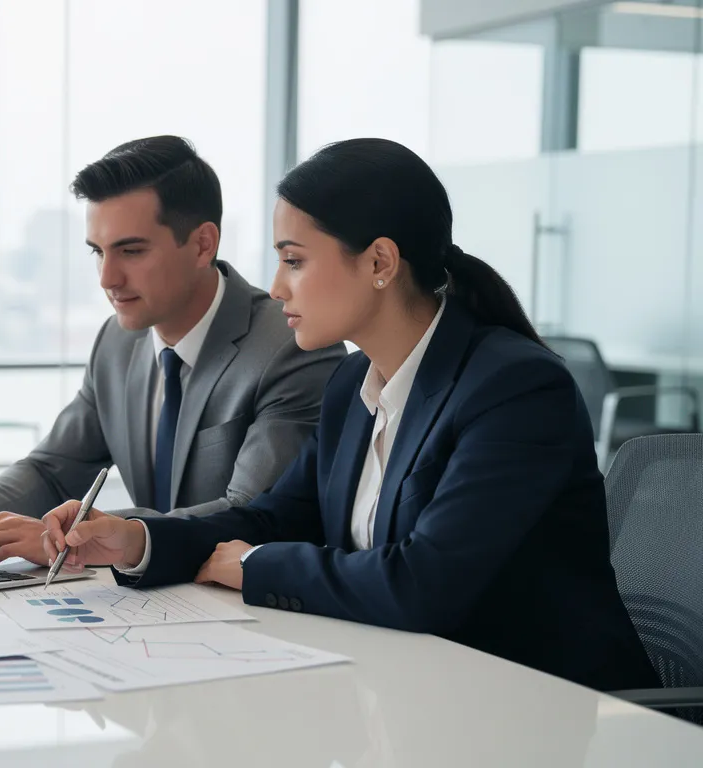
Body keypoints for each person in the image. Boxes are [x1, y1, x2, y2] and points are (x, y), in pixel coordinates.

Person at [41, 137, 657, 692]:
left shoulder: (515, 390)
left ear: (381, 263)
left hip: (542, 712)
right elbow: (275, 516)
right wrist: (137, 540)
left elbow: (424, 584)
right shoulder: (351, 388)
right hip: (412, 695)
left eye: (296, 260)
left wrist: (253, 566)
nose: (278, 288)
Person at [0, 135, 345, 569]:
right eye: (98, 252)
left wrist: (78, 537)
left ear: (204, 244)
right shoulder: (117, 341)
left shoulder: (290, 346)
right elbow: (54, 469)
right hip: (154, 603)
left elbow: (252, 514)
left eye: (131, 251)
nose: (107, 278)